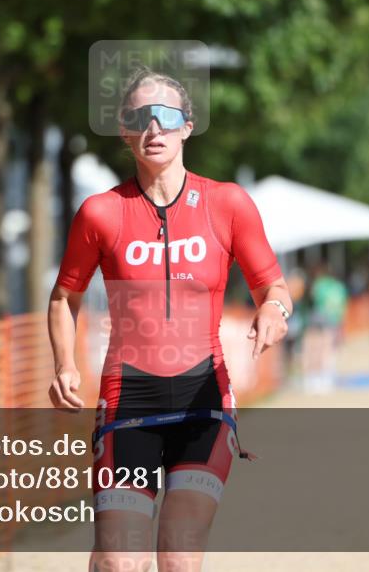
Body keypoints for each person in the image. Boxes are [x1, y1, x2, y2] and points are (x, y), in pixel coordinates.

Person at [47, 68, 292, 572]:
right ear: (124, 129)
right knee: (119, 561)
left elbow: (274, 286)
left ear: (187, 126)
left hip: (203, 399)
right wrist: (64, 364)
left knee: (178, 558)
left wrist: (273, 310)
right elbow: (64, 297)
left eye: (166, 116)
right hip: (128, 398)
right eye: (140, 117)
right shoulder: (101, 213)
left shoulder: (227, 204)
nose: (153, 129)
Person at [303, 263, 348, 393]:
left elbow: (313, 299)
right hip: (331, 320)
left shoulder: (319, 284)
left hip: (317, 317)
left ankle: (312, 378)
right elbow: (342, 306)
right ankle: (324, 377)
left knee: (313, 348)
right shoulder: (339, 287)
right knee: (326, 348)